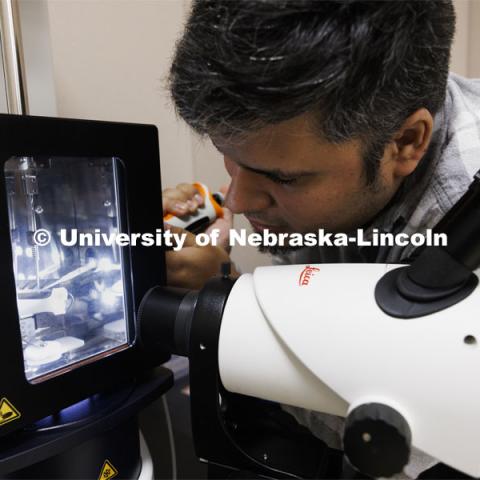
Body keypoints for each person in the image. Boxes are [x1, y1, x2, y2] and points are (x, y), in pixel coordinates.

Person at [163, 1, 480, 477]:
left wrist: (222, 308)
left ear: (406, 143)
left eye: (283, 179)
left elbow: (407, 447)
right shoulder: (346, 140)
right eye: (230, 156)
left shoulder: (464, 227)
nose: (239, 200)